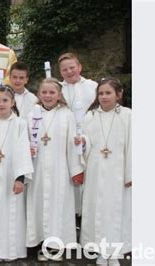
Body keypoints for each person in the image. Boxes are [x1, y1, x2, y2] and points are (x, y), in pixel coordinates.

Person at [26, 78, 84, 262]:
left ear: (59, 95)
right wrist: (29, 149)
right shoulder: (32, 115)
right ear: (38, 94)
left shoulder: (67, 115)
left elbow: (71, 143)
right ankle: (42, 245)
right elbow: (25, 141)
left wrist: (76, 170)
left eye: (52, 92)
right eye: (44, 92)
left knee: (58, 208)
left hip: (60, 170)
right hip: (38, 170)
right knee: (39, 207)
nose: (48, 96)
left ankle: (56, 246)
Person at [77, 78, 131, 265]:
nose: (104, 96)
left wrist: (130, 174)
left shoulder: (128, 115)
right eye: (101, 93)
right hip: (96, 171)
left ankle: (114, 252)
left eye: (108, 93)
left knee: (116, 211)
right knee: (97, 210)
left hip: (118, 172)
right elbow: (86, 139)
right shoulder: (90, 116)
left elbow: (133, 145)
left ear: (119, 94)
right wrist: (82, 142)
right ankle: (99, 249)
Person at [0, 86, 34, 262]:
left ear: (13, 102)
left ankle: (11, 250)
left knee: (11, 212)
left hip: (12, 175)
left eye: (5, 100)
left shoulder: (20, 124)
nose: (1, 104)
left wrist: (20, 178)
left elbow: (23, 151)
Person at [58, 52, 98, 217]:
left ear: (79, 67)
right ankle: (74, 214)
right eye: (65, 69)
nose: (69, 72)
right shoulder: (57, 89)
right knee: (71, 174)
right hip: (67, 138)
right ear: (60, 72)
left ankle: (89, 213)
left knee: (91, 174)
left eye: (72, 67)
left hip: (91, 137)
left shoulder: (93, 86)